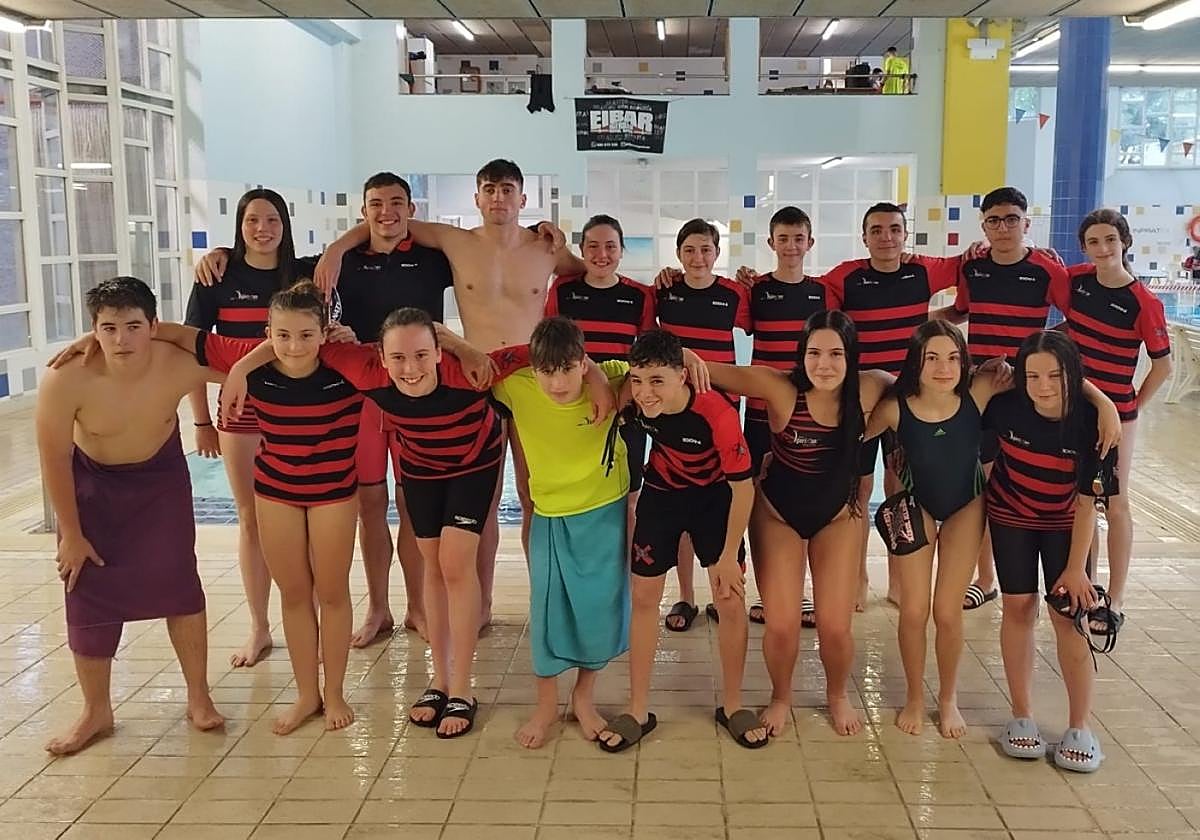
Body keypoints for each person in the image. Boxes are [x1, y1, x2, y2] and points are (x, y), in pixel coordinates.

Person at [221, 306, 528, 739]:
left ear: (439, 353)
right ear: (380, 359)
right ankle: (440, 680)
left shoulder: (473, 370)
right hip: (421, 468)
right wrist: (240, 367)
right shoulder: (363, 369)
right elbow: (295, 341)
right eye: (398, 358)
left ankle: (463, 688)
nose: (410, 368)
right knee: (432, 567)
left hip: (472, 466)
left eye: (422, 355)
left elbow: (550, 350)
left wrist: (593, 376)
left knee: (456, 563)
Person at [196, 173, 456, 648]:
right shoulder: (340, 264)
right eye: (375, 204)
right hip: (362, 399)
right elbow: (270, 322)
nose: (386, 212)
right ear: (363, 210)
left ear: (411, 208)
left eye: (397, 203)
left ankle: (417, 606)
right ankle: (379, 607)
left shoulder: (432, 259)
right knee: (371, 504)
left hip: (421, 397)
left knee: (416, 505)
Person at [314, 159, 586, 575]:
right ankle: (483, 602)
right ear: (476, 198)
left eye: (507, 189)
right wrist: (336, 248)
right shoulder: (454, 240)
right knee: (485, 502)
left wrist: (556, 231)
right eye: (490, 190)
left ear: (523, 198)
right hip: (476, 379)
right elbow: (389, 223)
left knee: (536, 495)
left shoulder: (546, 248)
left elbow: (588, 273)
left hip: (532, 379)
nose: (499, 198)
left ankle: (541, 596)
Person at [865, 320, 1118, 739]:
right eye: (932, 358)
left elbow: (1052, 374)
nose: (943, 368)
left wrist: (1105, 402)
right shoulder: (896, 407)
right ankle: (914, 696)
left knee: (947, 611)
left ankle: (948, 700)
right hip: (920, 506)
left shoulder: (981, 393)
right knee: (913, 610)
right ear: (917, 363)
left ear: (965, 364)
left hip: (968, 507)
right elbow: (850, 436)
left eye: (952, 358)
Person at [158, 283, 363, 735]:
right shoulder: (247, 359)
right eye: (283, 335)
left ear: (324, 333)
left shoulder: (346, 362)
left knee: (331, 592)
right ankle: (307, 693)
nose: (294, 346)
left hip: (333, 493)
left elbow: (411, 354)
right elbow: (176, 334)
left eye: (307, 335)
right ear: (268, 332)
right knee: (293, 594)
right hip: (276, 492)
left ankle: (334, 693)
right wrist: (91, 339)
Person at [38, 277, 224, 755]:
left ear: (154, 326)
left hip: (160, 483)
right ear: (93, 329)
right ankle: (95, 710)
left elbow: (263, 358)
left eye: (134, 326)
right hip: (94, 486)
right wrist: (70, 534)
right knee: (86, 590)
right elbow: (54, 459)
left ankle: (198, 696)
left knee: (179, 583)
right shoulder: (67, 377)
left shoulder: (179, 363)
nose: (122, 340)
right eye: (109, 328)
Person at [703, 311, 891, 736]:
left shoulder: (869, 387)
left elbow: (921, 390)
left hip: (838, 517)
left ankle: (838, 694)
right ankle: (781, 696)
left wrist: (874, 428)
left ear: (851, 357)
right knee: (783, 623)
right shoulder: (779, 387)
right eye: (815, 353)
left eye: (835, 354)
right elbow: (709, 370)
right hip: (777, 515)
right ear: (801, 356)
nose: (824, 365)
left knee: (836, 626)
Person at [598, 330, 765, 752]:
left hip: (714, 499)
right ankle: (638, 710)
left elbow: (743, 489)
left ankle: (733, 705)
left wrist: (729, 555)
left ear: (682, 377)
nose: (644, 392)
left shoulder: (716, 413)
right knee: (643, 596)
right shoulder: (633, 400)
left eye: (656, 381)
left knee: (729, 596)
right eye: (637, 380)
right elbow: (591, 378)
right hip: (663, 495)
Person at [186, 187, 317, 668]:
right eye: (252, 221)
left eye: (272, 220)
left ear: (285, 225)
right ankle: (260, 626)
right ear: (239, 227)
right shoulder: (216, 277)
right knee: (249, 517)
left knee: (304, 517)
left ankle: (308, 619)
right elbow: (193, 352)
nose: (262, 229)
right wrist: (202, 420)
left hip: (298, 408)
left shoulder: (303, 275)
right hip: (239, 411)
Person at [491, 317, 630, 749]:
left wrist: (597, 378)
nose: (556, 382)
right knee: (548, 610)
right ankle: (546, 705)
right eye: (546, 370)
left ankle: (583, 698)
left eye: (568, 368)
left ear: (583, 361)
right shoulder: (517, 386)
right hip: (550, 515)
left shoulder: (609, 376)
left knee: (601, 612)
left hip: (607, 510)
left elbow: (659, 363)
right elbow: (477, 365)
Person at [934, 186, 1071, 612]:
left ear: (1026, 224)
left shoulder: (1048, 271)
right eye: (994, 220)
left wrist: (1042, 350)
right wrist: (917, 323)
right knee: (983, 482)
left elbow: (1076, 317)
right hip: (982, 388)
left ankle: (1013, 574)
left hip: (1029, 392)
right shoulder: (974, 268)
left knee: (1025, 481)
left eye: (1012, 219)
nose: (1003, 227)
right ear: (984, 226)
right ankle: (985, 576)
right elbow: (960, 312)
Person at [824, 203, 965, 608]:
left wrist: (1039, 254)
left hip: (909, 400)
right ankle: (857, 576)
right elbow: (805, 288)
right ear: (864, 236)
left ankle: (900, 577)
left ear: (906, 234)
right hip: (863, 398)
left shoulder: (923, 270)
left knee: (900, 488)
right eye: (877, 230)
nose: (886, 237)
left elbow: (971, 265)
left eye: (894, 229)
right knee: (859, 486)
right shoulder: (846, 277)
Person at [986, 331, 1111, 773]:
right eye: (1032, 375)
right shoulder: (1005, 408)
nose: (1042, 386)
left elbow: (1085, 505)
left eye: (1054, 376)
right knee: (1018, 610)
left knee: (1069, 619)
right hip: (1011, 518)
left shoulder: (1091, 424)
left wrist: (1077, 568)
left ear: (1072, 376)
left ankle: (1080, 725)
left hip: (1066, 525)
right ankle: (1022, 715)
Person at [1061, 208, 1172, 636]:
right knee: (1080, 501)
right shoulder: (1077, 282)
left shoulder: (1144, 301)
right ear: (1084, 247)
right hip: (1075, 408)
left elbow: (1162, 366)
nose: (1103, 249)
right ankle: (1084, 588)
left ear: (1124, 242)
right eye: (1093, 242)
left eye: (1110, 240)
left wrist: (1132, 409)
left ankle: (1118, 598)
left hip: (1117, 415)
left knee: (1116, 503)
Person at [654, 218, 752, 633]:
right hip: (676, 412)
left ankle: (724, 589)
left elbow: (758, 322)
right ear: (678, 254)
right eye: (690, 250)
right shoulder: (664, 292)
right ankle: (686, 596)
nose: (698, 258)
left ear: (717, 253)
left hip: (722, 411)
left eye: (706, 250)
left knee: (723, 497)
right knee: (680, 496)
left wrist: (752, 278)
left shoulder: (734, 294)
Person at [742, 206, 829, 626]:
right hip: (761, 413)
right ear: (771, 243)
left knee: (808, 498)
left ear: (809, 244)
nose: (791, 246)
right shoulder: (754, 290)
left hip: (809, 415)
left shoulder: (825, 293)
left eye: (799, 239)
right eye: (783, 238)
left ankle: (805, 591)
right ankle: (766, 593)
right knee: (760, 500)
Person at [544, 214, 656, 530]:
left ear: (622, 251)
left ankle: (628, 574)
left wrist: (625, 398)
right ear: (581, 250)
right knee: (579, 492)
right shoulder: (563, 290)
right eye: (592, 246)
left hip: (625, 407)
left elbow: (645, 356)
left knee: (630, 496)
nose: (601, 255)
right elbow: (553, 346)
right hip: (576, 405)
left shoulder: (640, 295)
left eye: (610, 246)